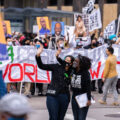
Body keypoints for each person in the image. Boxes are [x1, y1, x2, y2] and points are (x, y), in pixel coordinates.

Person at [36, 44, 74, 120]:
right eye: (65, 60)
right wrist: (38, 55)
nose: (66, 62)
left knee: (60, 118)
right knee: (54, 117)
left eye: (68, 61)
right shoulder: (56, 66)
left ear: (71, 63)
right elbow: (41, 66)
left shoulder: (72, 71)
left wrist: (58, 57)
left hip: (64, 96)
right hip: (53, 95)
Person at [71, 55, 91, 120]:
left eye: (76, 61)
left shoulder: (85, 73)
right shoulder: (73, 71)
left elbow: (88, 87)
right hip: (74, 97)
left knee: (81, 118)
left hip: (83, 97)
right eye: (74, 61)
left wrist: (89, 99)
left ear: (81, 63)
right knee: (75, 118)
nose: (74, 62)